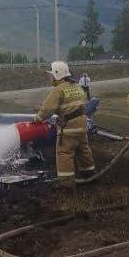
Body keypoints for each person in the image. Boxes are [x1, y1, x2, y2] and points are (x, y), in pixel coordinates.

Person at [35, 61, 96, 189]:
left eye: (51, 75)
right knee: (83, 150)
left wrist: (38, 118)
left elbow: (47, 109)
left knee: (64, 153)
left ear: (57, 75)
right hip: (82, 125)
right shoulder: (77, 87)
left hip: (69, 128)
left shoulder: (59, 90)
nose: (50, 77)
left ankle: (66, 184)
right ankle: (90, 175)